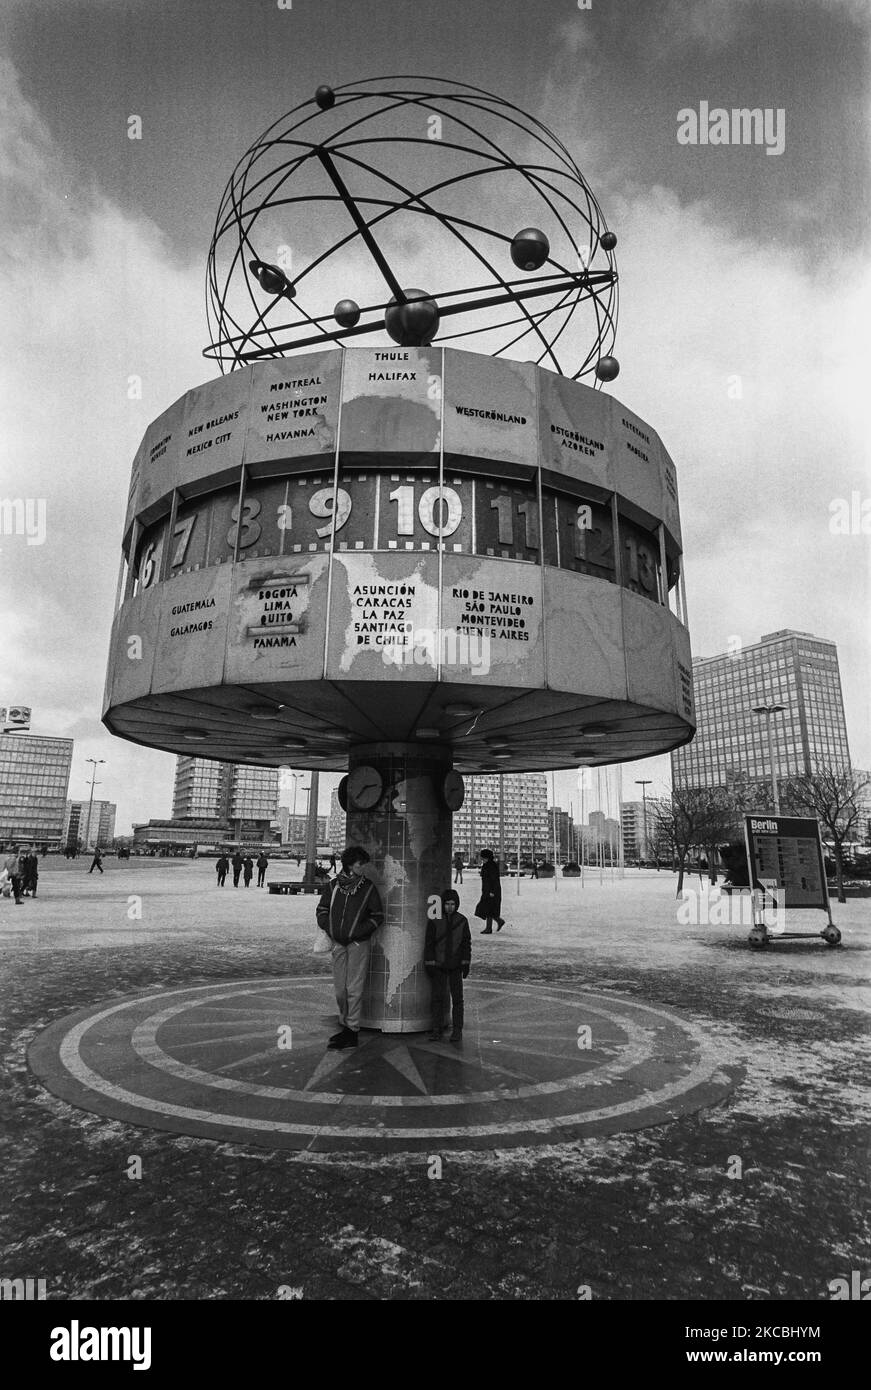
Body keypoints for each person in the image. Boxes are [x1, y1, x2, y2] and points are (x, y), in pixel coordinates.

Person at [316, 846, 384, 1050]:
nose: (363, 868)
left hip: (358, 944)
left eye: (363, 864)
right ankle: (345, 1024)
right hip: (338, 944)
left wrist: (357, 933)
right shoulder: (333, 886)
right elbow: (322, 909)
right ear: (349, 865)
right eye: (359, 864)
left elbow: (378, 916)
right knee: (340, 990)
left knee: (354, 988)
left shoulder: (368, 888)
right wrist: (331, 929)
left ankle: (352, 1030)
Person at [424, 888, 471, 1043]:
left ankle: (457, 1030)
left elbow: (466, 944)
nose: (450, 907)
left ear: (456, 904)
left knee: (457, 999)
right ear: (442, 904)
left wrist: (465, 963)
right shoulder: (435, 921)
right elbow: (429, 944)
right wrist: (430, 962)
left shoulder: (462, 921)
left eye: (452, 904)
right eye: (447, 904)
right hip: (439, 966)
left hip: (455, 966)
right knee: (438, 998)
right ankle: (436, 1029)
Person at [476, 847, 504, 934]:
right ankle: (499, 921)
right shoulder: (487, 865)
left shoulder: (491, 866)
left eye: (483, 858)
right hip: (487, 890)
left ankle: (489, 928)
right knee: (487, 908)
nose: (482, 859)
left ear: (487, 857)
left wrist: (492, 891)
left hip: (492, 891)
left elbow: (493, 879)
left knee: (488, 909)